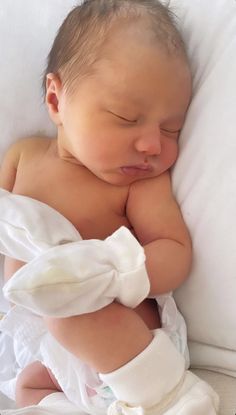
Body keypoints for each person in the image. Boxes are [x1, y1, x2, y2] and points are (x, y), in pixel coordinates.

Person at [0, 1, 213, 414]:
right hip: (51, 352)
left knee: (69, 311)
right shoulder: (22, 157)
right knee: (26, 387)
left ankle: (172, 397)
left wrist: (111, 274)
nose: (154, 144)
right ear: (56, 100)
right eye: (125, 117)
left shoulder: (140, 183)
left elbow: (174, 250)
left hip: (131, 343)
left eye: (172, 128)